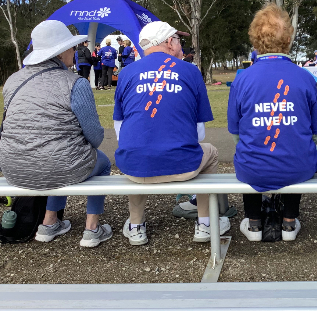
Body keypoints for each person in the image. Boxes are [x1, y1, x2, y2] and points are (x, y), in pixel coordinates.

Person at [113, 21, 228, 246]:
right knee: (211, 152)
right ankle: (205, 223)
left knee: (136, 150)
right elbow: (199, 134)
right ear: (168, 42)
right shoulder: (190, 71)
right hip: (183, 165)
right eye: (178, 40)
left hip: (134, 167)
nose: (181, 45)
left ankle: (136, 226)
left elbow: (120, 128)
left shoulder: (126, 73)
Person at [0, 20, 112, 247]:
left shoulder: (13, 80)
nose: (75, 51)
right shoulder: (75, 83)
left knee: (61, 156)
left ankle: (49, 222)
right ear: (60, 53)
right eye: (71, 47)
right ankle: (92, 228)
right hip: (60, 166)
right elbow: (95, 136)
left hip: (13, 168)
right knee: (100, 162)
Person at [227, 3, 317, 242]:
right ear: (288, 39)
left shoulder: (242, 79)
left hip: (252, 168)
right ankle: (289, 222)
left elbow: (236, 132)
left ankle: (254, 223)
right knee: (296, 148)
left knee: (249, 152)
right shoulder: (305, 77)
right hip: (299, 167)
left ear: (255, 40)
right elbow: (314, 132)